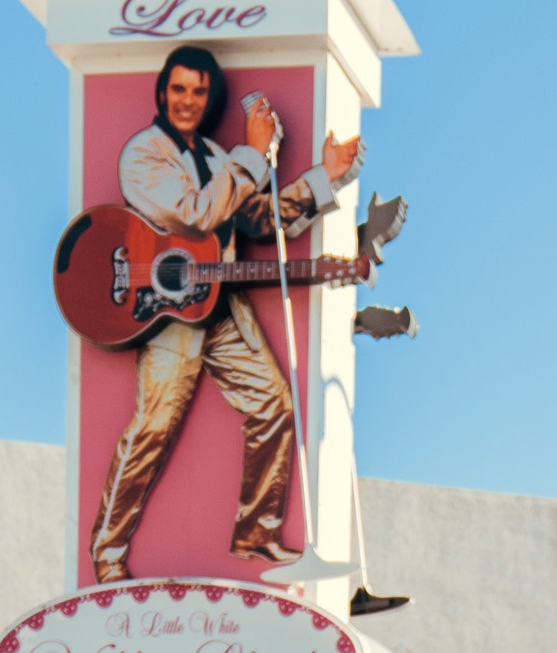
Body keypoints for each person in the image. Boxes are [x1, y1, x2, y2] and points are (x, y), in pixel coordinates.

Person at [86, 43, 363, 581]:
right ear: (162, 92)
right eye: (178, 89)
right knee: (153, 430)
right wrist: (253, 154)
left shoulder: (216, 156)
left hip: (221, 307)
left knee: (274, 405)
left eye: (198, 91)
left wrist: (324, 177)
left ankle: (257, 531)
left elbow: (258, 220)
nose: (187, 101)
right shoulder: (143, 154)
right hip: (168, 313)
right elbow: (195, 216)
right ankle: (107, 551)